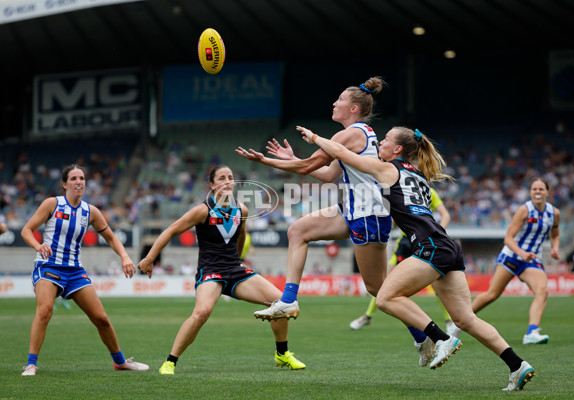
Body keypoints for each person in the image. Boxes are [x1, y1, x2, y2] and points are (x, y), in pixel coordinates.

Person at [298, 125, 535, 391]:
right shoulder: (418, 174)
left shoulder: (388, 168)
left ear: (398, 149)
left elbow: (342, 152)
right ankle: (517, 365)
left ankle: (439, 337)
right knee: (466, 319)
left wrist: (315, 138)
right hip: (448, 246)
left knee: (385, 297)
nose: (380, 143)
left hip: (430, 246)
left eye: (385, 140)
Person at [235, 77, 391, 324]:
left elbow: (308, 166)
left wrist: (265, 161)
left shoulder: (350, 134)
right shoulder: (356, 134)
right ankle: (288, 300)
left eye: (340, 99)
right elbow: (329, 175)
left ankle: (429, 334)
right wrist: (290, 159)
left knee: (379, 291)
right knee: (298, 230)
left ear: (353, 109)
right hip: (353, 210)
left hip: (368, 214)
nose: (334, 103)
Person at [137, 165, 305, 375]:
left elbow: (241, 234)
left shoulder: (241, 209)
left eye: (231, 177)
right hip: (210, 271)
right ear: (212, 184)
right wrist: (150, 257)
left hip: (234, 270)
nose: (227, 181)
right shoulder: (202, 210)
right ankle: (170, 361)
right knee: (201, 313)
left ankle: (282, 355)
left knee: (280, 303)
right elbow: (171, 230)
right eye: (222, 178)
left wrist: (239, 259)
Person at [20, 164, 149, 376]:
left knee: (101, 319)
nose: (79, 181)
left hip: (74, 271)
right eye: (73, 178)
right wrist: (38, 246)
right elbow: (26, 230)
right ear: (64, 184)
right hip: (48, 267)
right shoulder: (52, 204)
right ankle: (31, 364)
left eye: (81, 178)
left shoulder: (91, 212)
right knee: (44, 311)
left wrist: (125, 256)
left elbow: (111, 237)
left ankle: (120, 362)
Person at [449, 178, 560, 345]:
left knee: (542, 290)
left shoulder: (554, 213)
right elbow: (508, 238)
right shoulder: (524, 210)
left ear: (547, 192)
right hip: (511, 256)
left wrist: (555, 247)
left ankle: (532, 332)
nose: (538, 192)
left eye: (541, 189)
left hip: (531, 260)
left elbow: (555, 233)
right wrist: (522, 253)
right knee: (491, 295)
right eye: (534, 189)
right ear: (530, 192)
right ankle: (457, 324)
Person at [350, 187, 453, 333]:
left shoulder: (429, 191)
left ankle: (449, 321)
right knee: (385, 282)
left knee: (435, 283)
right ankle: (368, 316)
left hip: (425, 241)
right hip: (405, 242)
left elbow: (445, 215)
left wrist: (437, 232)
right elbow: (395, 221)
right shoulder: (403, 188)